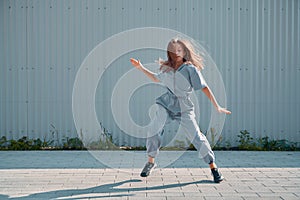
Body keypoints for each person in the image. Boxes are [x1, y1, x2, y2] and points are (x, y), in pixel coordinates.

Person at [130, 38, 231, 183]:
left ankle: (213, 167)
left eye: (179, 50)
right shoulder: (167, 68)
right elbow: (156, 78)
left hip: (184, 108)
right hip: (166, 104)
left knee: (196, 137)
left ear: (184, 52)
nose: (176, 53)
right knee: (153, 129)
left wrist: (217, 106)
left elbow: (204, 87)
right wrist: (140, 68)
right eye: (174, 50)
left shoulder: (190, 69)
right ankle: (151, 162)